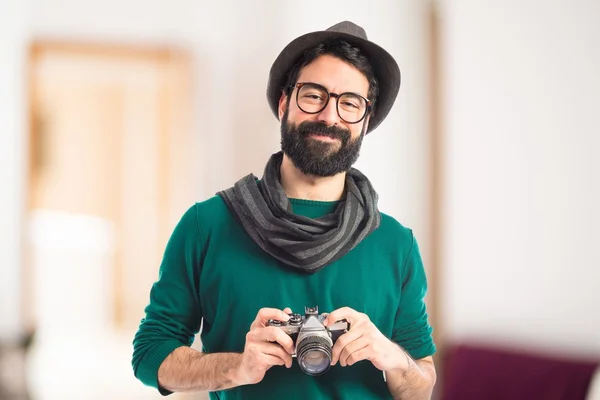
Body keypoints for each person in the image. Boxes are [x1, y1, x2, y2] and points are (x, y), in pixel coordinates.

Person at [132, 21, 437, 400]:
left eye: (350, 103)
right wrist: (237, 367)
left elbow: (421, 388)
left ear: (365, 120)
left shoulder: (396, 245)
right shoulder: (206, 225)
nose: (329, 116)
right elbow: (149, 355)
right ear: (284, 103)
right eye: (313, 95)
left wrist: (392, 357)